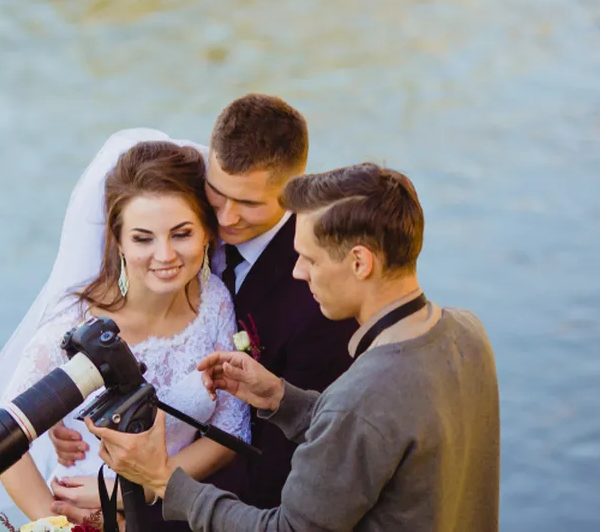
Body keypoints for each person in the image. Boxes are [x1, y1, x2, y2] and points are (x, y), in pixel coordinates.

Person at [85, 163, 501, 531]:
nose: (299, 272)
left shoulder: (360, 399)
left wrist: (162, 480)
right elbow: (374, 434)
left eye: (310, 259)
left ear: (360, 263)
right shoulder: (466, 331)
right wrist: (282, 399)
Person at [49, 94, 359, 513]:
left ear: (294, 191)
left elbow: (274, 462)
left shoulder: (315, 299)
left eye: (249, 204)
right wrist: (60, 417)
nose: (226, 218)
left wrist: (135, 506)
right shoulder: (183, 219)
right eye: (216, 194)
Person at [0, 132, 250, 532]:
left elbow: (229, 432)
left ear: (207, 231)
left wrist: (139, 487)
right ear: (117, 240)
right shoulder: (77, 323)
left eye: (181, 233)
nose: (165, 255)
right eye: (142, 238)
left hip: (176, 514)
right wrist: (53, 521)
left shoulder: (215, 301)